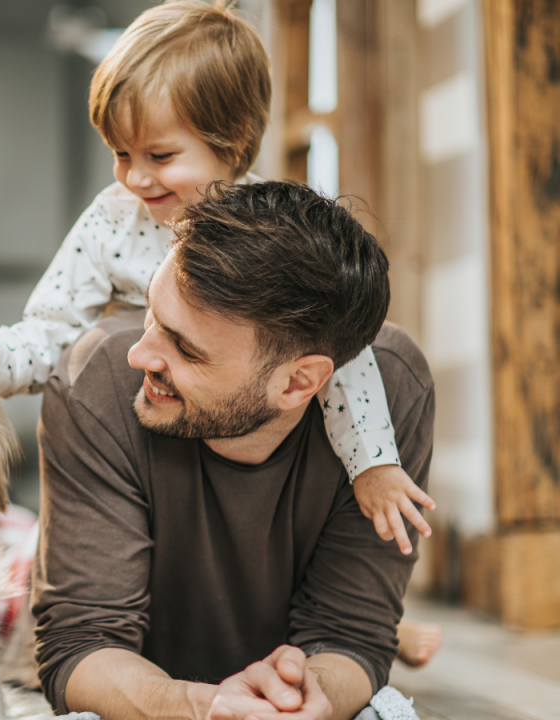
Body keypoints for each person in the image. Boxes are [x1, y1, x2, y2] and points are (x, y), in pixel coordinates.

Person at [0, 0, 434, 555]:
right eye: (120, 153)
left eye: (159, 154)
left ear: (231, 141)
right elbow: (54, 325)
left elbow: (341, 354)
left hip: (251, 446)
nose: (135, 176)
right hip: (157, 443)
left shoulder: (269, 233)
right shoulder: (113, 219)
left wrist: (373, 463)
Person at [32, 180, 435, 720]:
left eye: (185, 349)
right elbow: (80, 645)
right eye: (153, 316)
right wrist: (203, 706)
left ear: (298, 384)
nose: (139, 355)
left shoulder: (393, 391)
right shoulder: (96, 382)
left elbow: (351, 634)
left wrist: (306, 697)